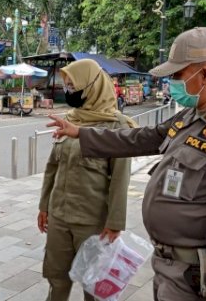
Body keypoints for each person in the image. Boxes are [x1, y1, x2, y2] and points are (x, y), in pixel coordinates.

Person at [47, 27, 206, 301]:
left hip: (194, 276)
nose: (172, 84)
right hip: (169, 268)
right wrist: (81, 134)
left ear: (205, 74)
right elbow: (139, 138)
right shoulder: (191, 118)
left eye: (177, 76)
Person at [39, 59, 135, 301]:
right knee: (56, 277)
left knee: (94, 284)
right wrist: (44, 206)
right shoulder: (71, 119)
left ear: (91, 85)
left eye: (73, 86)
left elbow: (120, 179)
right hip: (59, 216)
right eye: (67, 86)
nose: (69, 91)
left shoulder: (116, 126)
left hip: (93, 222)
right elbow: (52, 166)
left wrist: (115, 222)